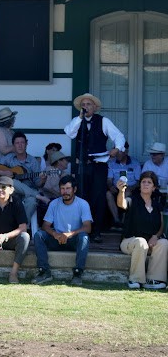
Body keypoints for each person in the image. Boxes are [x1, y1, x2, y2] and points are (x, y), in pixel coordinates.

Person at [64, 92, 125, 243]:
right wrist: (79, 118)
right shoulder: (78, 121)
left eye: (88, 104)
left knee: (98, 197)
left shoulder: (103, 121)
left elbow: (119, 136)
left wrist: (116, 149)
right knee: (82, 196)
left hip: (99, 165)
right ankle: (83, 230)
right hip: (83, 165)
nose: (85, 107)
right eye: (83, 105)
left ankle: (96, 231)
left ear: (95, 107)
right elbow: (69, 132)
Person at [33, 175, 92, 286]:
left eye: (68, 188)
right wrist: (54, 234)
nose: (65, 192)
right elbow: (45, 225)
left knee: (84, 237)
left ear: (74, 189)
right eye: (62, 189)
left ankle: (78, 273)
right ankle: (44, 271)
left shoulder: (83, 204)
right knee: (38, 235)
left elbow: (88, 227)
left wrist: (69, 234)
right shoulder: (54, 203)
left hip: (73, 240)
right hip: (57, 238)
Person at [118, 171, 168, 290]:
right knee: (141, 242)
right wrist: (121, 191)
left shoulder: (157, 205)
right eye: (143, 182)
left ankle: (154, 279)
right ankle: (135, 279)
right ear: (139, 185)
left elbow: (161, 225)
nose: (145, 184)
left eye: (149, 182)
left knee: (164, 243)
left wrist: (156, 236)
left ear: (154, 187)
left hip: (150, 244)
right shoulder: (132, 200)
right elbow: (122, 204)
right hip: (130, 242)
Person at [0, 131, 45, 233]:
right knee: (12, 182)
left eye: (22, 143)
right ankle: (37, 195)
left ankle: (19, 229)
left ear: (26, 144)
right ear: (13, 145)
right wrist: (3, 172)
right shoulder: (9, 158)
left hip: (27, 193)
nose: (20, 145)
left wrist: (43, 179)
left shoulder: (33, 161)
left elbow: (37, 183)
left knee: (31, 202)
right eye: (17, 143)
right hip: (12, 193)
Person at [106, 142, 141, 229]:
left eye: (119, 151)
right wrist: (111, 186)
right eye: (116, 151)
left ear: (126, 151)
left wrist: (131, 188)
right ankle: (116, 220)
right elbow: (109, 179)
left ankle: (124, 221)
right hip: (116, 187)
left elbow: (139, 181)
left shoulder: (135, 163)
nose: (117, 154)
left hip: (130, 188)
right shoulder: (111, 163)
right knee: (108, 194)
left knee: (127, 193)